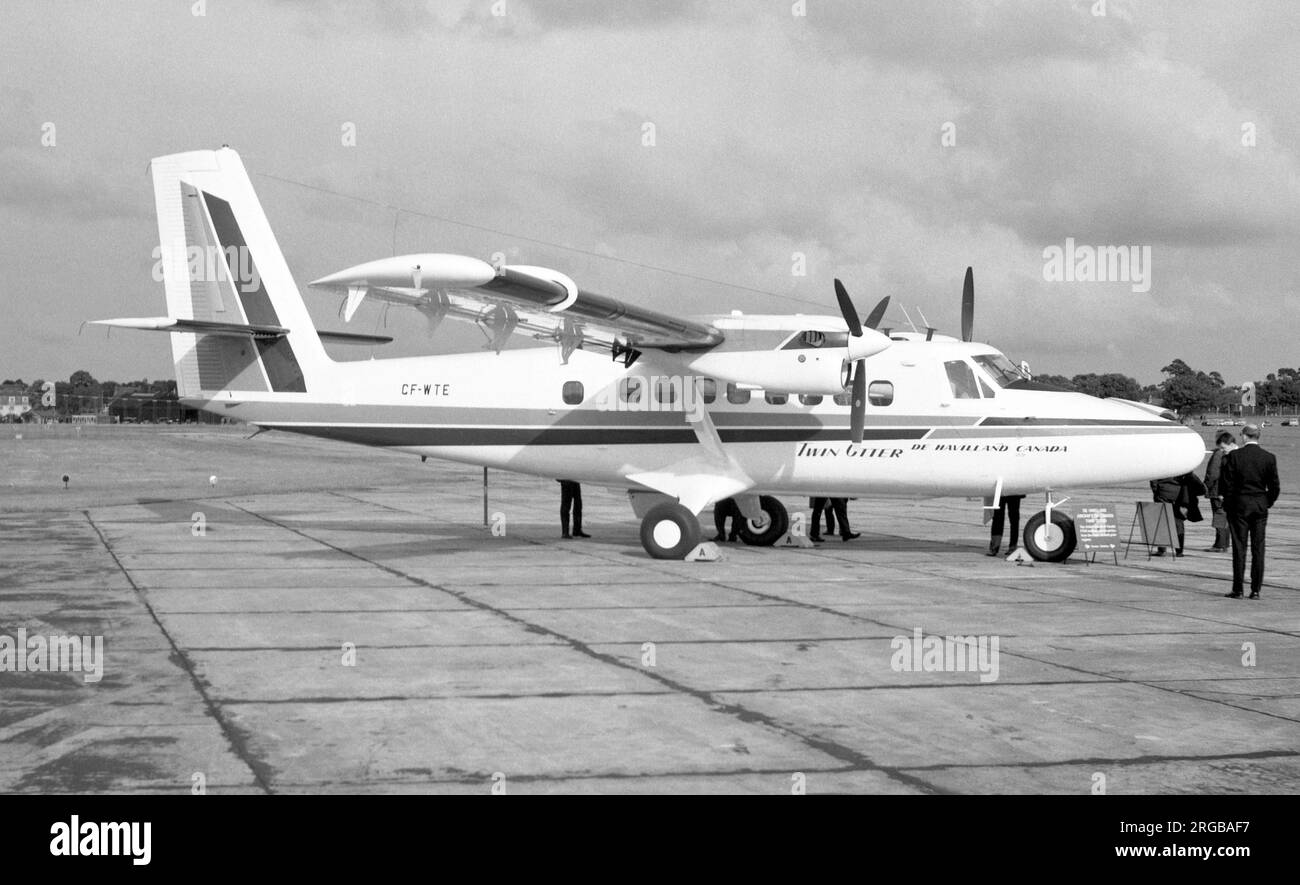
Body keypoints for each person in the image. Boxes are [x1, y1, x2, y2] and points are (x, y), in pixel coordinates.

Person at [1219, 424, 1281, 599]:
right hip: (1259, 505)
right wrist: (1266, 502)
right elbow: (1275, 486)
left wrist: (1229, 504)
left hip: (1239, 505)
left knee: (1239, 547)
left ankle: (1238, 588)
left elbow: (1227, 485)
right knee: (1258, 547)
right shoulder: (1268, 458)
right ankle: (1255, 589)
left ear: (1245, 436)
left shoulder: (1234, 457)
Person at [1203, 432, 1237, 552]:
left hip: (1218, 491)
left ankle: (1220, 544)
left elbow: (1212, 473)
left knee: (1219, 517)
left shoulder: (1218, 454)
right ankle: (1223, 544)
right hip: (1231, 492)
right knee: (1225, 518)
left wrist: (1206, 487)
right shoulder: (1237, 454)